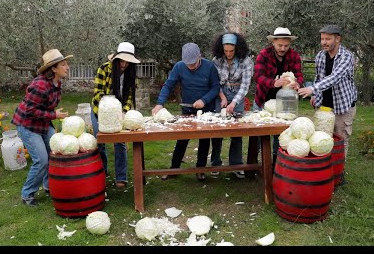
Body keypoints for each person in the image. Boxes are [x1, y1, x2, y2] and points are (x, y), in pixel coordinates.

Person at [297, 25, 357, 184]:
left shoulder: (346, 56)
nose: (324, 42)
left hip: (343, 105)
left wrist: (312, 88)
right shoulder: (320, 56)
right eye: (322, 38)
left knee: (341, 139)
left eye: (328, 39)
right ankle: (323, 173)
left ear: (338, 39)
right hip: (324, 105)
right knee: (321, 138)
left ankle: (338, 175)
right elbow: (319, 77)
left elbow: (335, 78)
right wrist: (316, 94)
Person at [12, 49, 72, 206]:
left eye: (67, 64)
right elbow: (30, 110)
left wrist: (51, 116)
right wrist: (54, 115)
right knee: (42, 160)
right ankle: (27, 194)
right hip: (28, 126)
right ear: (53, 68)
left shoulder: (57, 83)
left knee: (54, 152)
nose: (67, 67)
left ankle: (48, 185)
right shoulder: (40, 85)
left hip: (43, 124)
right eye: (63, 64)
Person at [152, 42, 220, 181]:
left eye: (193, 64)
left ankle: (200, 169)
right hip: (187, 108)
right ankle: (174, 169)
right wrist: (160, 104)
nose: (190, 67)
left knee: (204, 140)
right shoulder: (179, 67)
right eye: (188, 64)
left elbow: (215, 88)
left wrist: (204, 100)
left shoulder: (210, 67)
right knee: (182, 138)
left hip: (206, 111)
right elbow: (168, 85)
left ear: (199, 56)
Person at [90, 42, 140, 189]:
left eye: (127, 61)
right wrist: (109, 107)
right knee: (100, 142)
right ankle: (102, 172)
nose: (124, 64)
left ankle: (121, 177)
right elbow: (98, 93)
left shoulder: (131, 75)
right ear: (117, 59)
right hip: (99, 110)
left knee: (120, 142)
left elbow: (129, 97)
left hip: (119, 113)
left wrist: (123, 111)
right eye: (122, 60)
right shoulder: (104, 69)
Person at [253, 27, 304, 168]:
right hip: (263, 99)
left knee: (281, 135)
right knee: (258, 134)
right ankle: (253, 165)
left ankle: (277, 165)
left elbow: (299, 75)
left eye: (286, 46)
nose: (283, 48)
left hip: (285, 102)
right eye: (280, 45)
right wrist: (274, 83)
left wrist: (298, 83)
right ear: (273, 42)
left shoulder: (294, 56)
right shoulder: (263, 55)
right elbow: (257, 76)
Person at [209, 32, 254, 179]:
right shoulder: (216, 60)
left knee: (237, 131)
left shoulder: (246, 61)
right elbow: (214, 82)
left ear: (237, 48)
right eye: (225, 51)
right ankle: (215, 164)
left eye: (231, 51)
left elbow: (245, 85)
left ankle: (236, 164)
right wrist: (222, 97)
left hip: (238, 94)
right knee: (217, 130)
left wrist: (234, 102)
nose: (228, 54)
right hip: (220, 93)